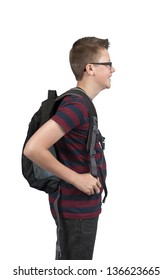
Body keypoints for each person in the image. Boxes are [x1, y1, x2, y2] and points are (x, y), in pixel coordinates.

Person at [24, 36, 115, 260]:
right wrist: (76, 178)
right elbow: (33, 148)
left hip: (81, 208)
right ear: (90, 68)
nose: (114, 69)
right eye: (108, 64)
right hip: (76, 211)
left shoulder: (81, 104)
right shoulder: (76, 106)